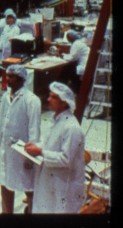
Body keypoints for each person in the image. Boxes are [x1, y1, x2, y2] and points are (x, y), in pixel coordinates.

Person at [24, 81, 86, 214]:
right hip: (51, 181)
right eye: (49, 96)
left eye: (53, 97)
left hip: (65, 185)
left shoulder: (71, 128)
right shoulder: (55, 119)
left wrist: (40, 152)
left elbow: (65, 159)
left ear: (64, 103)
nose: (48, 99)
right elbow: (50, 144)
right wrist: (35, 146)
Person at [0, 64, 41, 213]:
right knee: (5, 182)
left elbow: (34, 129)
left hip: (23, 152)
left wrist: (31, 156)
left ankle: (34, 212)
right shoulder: (5, 97)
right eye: (7, 76)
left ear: (21, 79)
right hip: (6, 150)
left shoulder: (31, 100)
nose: (7, 79)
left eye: (11, 77)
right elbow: (1, 123)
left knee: (28, 186)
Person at [62, 29, 90, 95]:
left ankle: (63, 89)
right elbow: (73, 56)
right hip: (86, 66)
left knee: (65, 71)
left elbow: (72, 58)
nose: (67, 38)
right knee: (67, 69)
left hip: (83, 67)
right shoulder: (78, 43)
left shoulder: (76, 44)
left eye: (67, 37)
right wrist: (63, 55)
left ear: (70, 37)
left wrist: (61, 56)